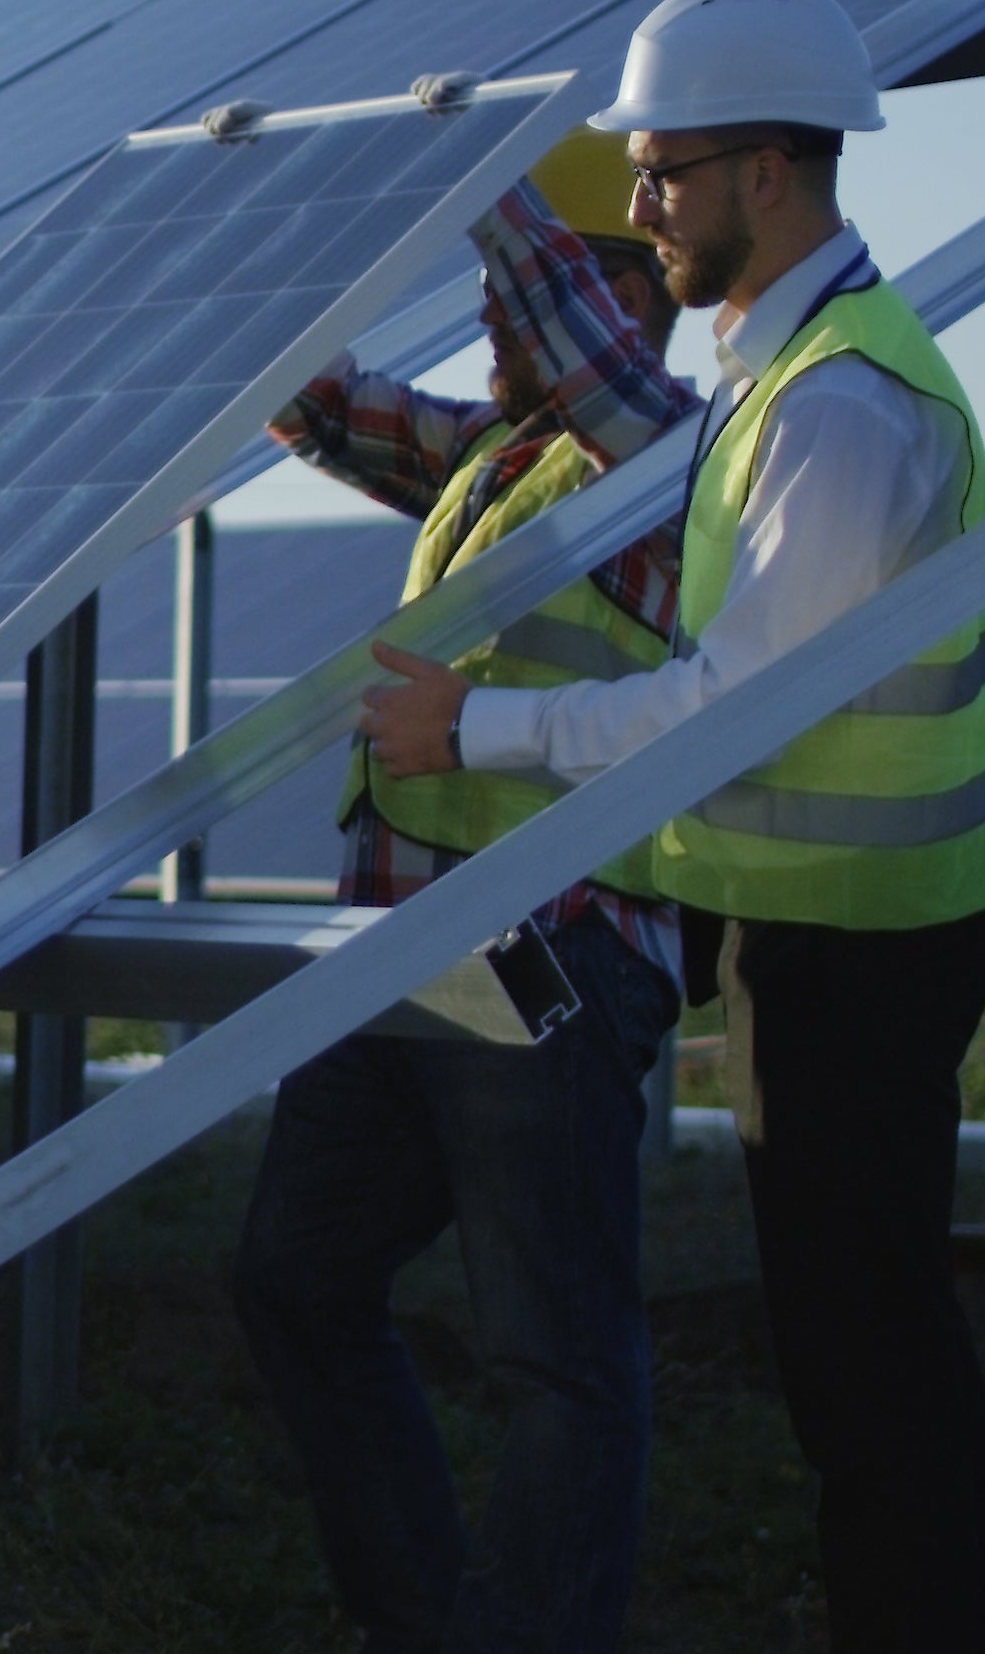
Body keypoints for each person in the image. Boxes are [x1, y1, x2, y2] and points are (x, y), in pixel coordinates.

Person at [360, 0, 985, 1648]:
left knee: (871, 1355)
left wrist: (482, 733)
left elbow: (737, 699)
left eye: (665, 175)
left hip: (877, 948)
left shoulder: (841, 403)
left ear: (770, 175)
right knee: (852, 1349)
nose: (646, 207)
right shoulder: (782, 366)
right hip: (818, 936)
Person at [234, 131, 693, 1651]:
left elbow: (561, 319)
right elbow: (320, 405)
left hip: (549, 963)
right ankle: (425, 1622)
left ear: (624, 299)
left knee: (556, 1356)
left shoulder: (668, 461)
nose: (489, 330)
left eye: (513, 305)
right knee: (296, 1281)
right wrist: (270, 226)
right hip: (404, 960)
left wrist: (481, 172)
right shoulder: (489, 460)